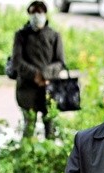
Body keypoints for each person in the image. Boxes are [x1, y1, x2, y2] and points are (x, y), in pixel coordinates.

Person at [11, 1, 65, 139]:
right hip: (27, 88)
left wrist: (46, 75)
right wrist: (35, 75)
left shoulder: (54, 35)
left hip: (49, 87)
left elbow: (60, 62)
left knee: (50, 127)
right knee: (29, 126)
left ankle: (50, 157)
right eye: (33, 12)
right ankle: (27, 157)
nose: (37, 15)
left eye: (40, 12)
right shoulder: (21, 35)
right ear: (29, 14)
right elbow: (17, 61)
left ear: (45, 13)